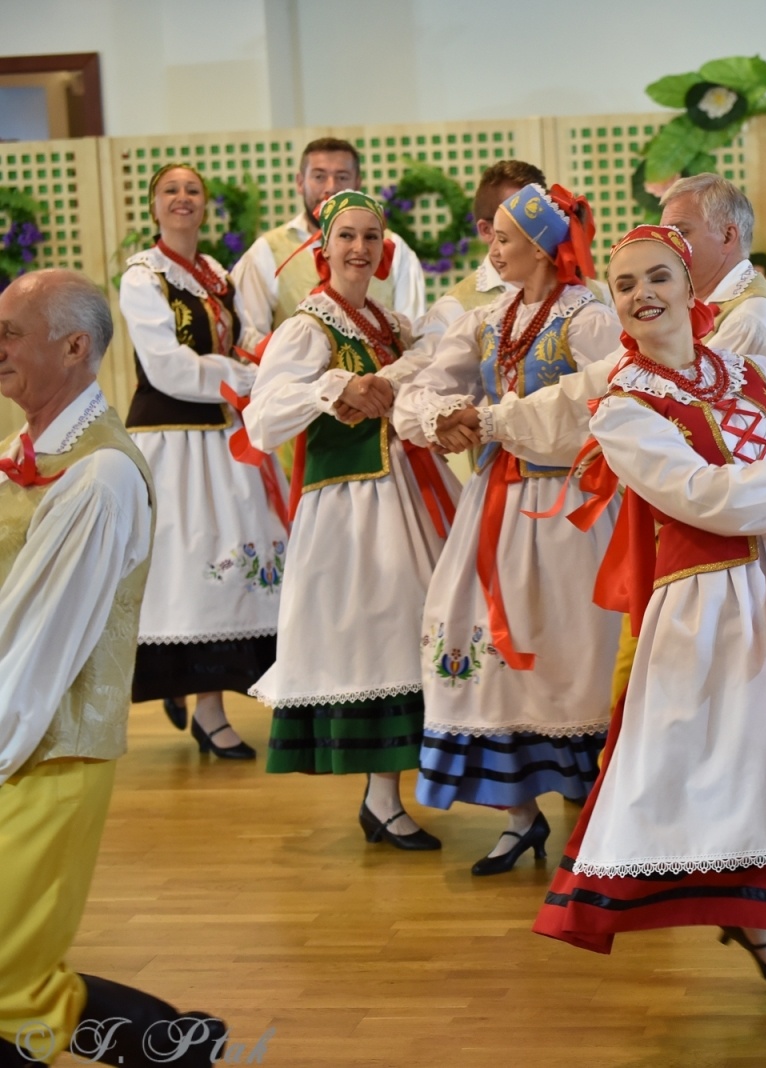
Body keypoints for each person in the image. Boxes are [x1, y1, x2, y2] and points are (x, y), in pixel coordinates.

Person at [533, 224, 766, 1046]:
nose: (644, 294)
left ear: (690, 285)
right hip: (712, 611)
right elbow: (708, 496)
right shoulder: (623, 408)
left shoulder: (753, 376)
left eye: (660, 276)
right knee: (741, 779)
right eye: (627, 282)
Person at [1, 270, 226, 1068]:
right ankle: (176, 1044)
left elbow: (39, 644)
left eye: (11, 334)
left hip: (43, 749)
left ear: (72, 347)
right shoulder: (29, 454)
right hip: (21, 741)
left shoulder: (98, 477)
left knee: (7, 980)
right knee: (17, 974)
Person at [393, 182, 621, 875]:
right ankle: (520, 817)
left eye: (503, 238)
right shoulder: (487, 318)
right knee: (486, 637)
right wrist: (443, 418)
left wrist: (496, 419)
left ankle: (592, 823)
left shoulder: (587, 316)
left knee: (573, 647)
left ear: (544, 246)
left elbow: (606, 401)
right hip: (498, 503)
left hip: (572, 507)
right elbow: (420, 388)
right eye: (492, 237)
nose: (491, 249)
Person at [244, 191, 459, 850]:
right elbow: (262, 417)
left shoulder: (390, 324)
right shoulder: (309, 326)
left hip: (407, 493)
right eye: (346, 237)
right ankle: (380, 797)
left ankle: (390, 793)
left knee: (411, 630)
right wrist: (332, 389)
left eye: (370, 237)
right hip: (349, 507)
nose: (359, 249)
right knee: (374, 634)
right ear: (323, 247)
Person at [119, 163, 287, 759]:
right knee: (190, 571)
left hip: (225, 439)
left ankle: (210, 703)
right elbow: (166, 366)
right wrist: (244, 376)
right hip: (174, 443)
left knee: (235, 567)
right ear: (154, 205)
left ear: (205, 204)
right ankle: (202, 705)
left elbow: (242, 338)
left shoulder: (216, 274)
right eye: (171, 191)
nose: (182, 199)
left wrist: (258, 365)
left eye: (192, 190)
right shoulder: (143, 276)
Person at [230, 138, 426, 350]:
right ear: (299, 182)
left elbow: (414, 334)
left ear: (357, 183)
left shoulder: (393, 246)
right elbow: (249, 336)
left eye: (342, 177)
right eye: (319, 176)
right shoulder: (267, 250)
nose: (331, 188)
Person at [659, 173, 766, 386]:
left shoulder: (748, 319)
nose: (668, 246)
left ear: (727, 237)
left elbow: (692, 399)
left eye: (681, 232)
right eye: (665, 235)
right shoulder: (701, 302)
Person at [413, 159, 547, 354]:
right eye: (519, 221)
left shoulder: (592, 295)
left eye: (541, 217)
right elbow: (423, 373)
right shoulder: (454, 310)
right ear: (486, 230)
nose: (537, 230)